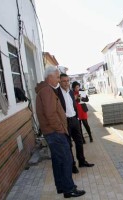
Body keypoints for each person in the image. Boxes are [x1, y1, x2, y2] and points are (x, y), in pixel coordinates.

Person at [35, 67, 85, 198]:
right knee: (66, 160)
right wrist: (60, 129)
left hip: (52, 132)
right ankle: (69, 189)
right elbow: (50, 114)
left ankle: (63, 187)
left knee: (58, 161)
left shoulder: (46, 90)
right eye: (57, 77)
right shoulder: (46, 91)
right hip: (55, 133)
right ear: (49, 77)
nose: (58, 80)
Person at [57, 74, 94, 169]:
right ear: (59, 82)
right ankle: (72, 165)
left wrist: (77, 117)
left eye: (67, 81)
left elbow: (74, 105)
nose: (66, 83)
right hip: (65, 122)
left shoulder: (70, 92)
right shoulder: (57, 93)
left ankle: (82, 161)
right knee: (68, 144)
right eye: (64, 81)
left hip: (74, 120)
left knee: (79, 141)